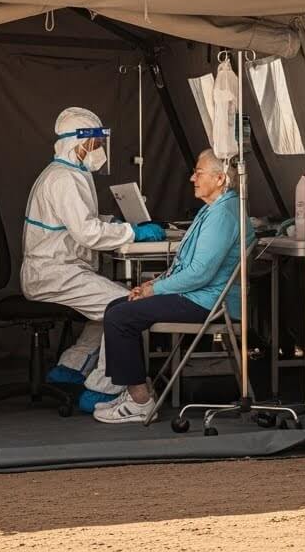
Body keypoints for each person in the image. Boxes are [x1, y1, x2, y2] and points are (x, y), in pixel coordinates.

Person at [93, 149, 255, 424]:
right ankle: (136, 393)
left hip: (209, 302)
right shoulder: (214, 209)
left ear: (220, 178)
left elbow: (199, 274)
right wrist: (152, 283)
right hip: (199, 295)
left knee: (121, 317)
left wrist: (153, 290)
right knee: (117, 307)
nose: (192, 178)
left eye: (198, 172)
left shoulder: (223, 215)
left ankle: (140, 400)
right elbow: (186, 265)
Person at [22, 107, 166, 412]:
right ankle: (103, 387)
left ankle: (72, 367)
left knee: (110, 304)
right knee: (126, 307)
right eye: (97, 143)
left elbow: (77, 221)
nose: (100, 150)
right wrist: (131, 233)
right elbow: (87, 233)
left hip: (56, 269)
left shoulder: (66, 173)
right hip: (54, 273)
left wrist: (113, 223)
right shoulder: (65, 179)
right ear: (80, 143)